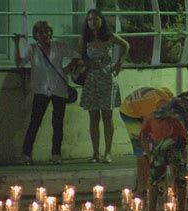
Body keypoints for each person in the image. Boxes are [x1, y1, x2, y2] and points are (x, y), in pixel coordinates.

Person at [14, 21, 80, 165]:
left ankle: (56, 154)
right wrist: (16, 44)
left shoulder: (59, 46)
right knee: (35, 122)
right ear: (36, 35)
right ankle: (26, 154)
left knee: (58, 123)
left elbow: (76, 55)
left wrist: (67, 68)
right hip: (41, 89)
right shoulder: (32, 49)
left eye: (47, 31)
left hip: (58, 88)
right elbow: (19, 63)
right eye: (42, 32)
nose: (46, 34)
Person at [79, 9, 129, 163]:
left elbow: (126, 45)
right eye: (90, 20)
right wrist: (88, 63)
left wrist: (119, 63)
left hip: (107, 77)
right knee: (94, 117)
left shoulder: (108, 36)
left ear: (101, 20)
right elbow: (80, 56)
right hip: (91, 78)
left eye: (96, 19)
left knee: (107, 116)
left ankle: (108, 152)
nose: (93, 22)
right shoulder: (85, 38)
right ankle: (95, 153)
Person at [119, 87, 174, 194]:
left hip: (140, 108)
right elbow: (146, 135)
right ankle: (141, 187)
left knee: (152, 150)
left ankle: (152, 183)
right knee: (142, 151)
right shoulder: (163, 106)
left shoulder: (168, 97)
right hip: (129, 111)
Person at [140, 107, 188, 211]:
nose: (162, 123)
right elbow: (185, 139)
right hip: (165, 149)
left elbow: (142, 135)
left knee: (156, 182)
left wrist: (149, 153)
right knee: (177, 181)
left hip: (169, 149)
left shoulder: (153, 119)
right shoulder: (174, 119)